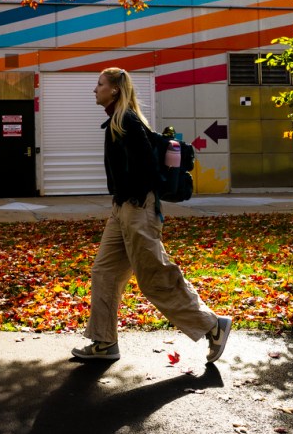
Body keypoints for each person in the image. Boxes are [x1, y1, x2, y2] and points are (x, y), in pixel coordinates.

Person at [72, 67, 232, 363]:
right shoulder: (117, 121)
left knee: (154, 276)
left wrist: (139, 200)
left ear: (115, 89)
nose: (95, 89)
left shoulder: (127, 122)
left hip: (136, 208)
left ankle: (213, 326)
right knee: (105, 272)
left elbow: (148, 168)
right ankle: (104, 342)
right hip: (121, 209)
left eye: (99, 84)